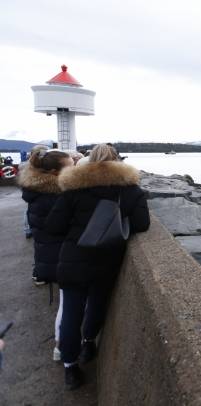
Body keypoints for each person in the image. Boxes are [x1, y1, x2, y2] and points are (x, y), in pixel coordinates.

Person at [45, 144, 150, 390]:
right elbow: (142, 224)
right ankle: (88, 343)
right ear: (118, 161)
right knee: (97, 305)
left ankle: (70, 368)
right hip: (107, 260)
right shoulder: (131, 190)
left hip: (73, 260)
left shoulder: (74, 187)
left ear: (90, 160)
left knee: (71, 314)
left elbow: (53, 227)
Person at [19, 148, 74, 362]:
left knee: (67, 304)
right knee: (68, 306)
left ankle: (63, 348)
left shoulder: (38, 194)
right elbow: (64, 227)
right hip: (62, 258)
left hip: (49, 257)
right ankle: (63, 350)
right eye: (71, 167)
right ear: (53, 173)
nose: (75, 170)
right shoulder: (55, 198)